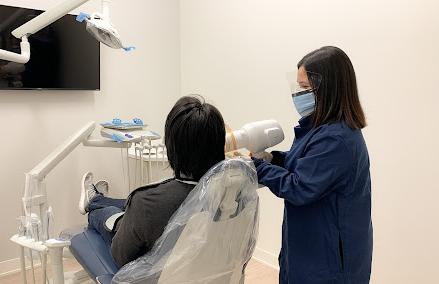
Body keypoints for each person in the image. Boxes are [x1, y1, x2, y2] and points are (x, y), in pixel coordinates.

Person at [252, 46, 372, 283]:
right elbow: (304, 164)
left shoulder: (336, 138)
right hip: (312, 244)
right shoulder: (320, 129)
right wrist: (273, 159)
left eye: (305, 88)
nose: (298, 95)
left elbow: (300, 187)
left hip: (328, 260)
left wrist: (258, 167)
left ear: (329, 88)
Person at [78, 96, 226, 268]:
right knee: (129, 204)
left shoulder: (147, 201)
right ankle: (97, 199)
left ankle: (94, 203)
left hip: (141, 252)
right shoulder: (235, 194)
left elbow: (120, 255)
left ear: (171, 147)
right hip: (209, 273)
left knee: (107, 213)